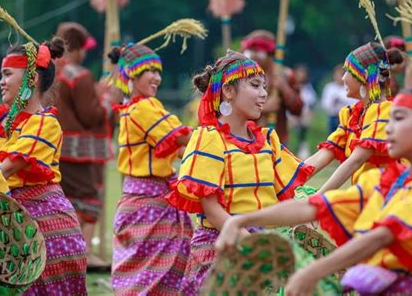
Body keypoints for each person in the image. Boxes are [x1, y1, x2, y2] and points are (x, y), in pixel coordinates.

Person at [216, 86, 412, 295]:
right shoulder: (383, 181)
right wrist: (241, 221)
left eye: (398, 119)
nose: (388, 128)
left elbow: (381, 237)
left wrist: (314, 271)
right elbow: (312, 207)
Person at [165, 50, 315, 295]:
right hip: (222, 246)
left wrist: (342, 150)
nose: (264, 93)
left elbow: (296, 183)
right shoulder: (208, 139)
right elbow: (212, 210)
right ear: (228, 91)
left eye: (264, 86)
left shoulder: (266, 138)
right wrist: (253, 245)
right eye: (255, 85)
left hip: (264, 246)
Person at [0, 38, 87, 294]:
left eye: (7, 74)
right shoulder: (1, 125)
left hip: (45, 231)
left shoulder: (44, 124)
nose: (1, 81)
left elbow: (5, 170)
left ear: (30, 80)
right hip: (10, 227)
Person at [108, 43, 193, 295]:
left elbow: (173, 146)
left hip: (141, 201)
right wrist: (219, 134)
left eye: (158, 71)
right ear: (132, 75)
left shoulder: (135, 107)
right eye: (149, 71)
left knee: (141, 275)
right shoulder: (144, 107)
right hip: (150, 205)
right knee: (151, 276)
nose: (157, 77)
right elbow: (181, 139)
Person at [53, 22, 113, 269]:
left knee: (64, 202)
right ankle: (83, 253)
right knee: (89, 202)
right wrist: (108, 101)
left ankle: (65, 251)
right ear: (76, 48)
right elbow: (91, 115)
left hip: (53, 147)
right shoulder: (78, 76)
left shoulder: (50, 72)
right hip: (78, 152)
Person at [307, 42, 404, 193]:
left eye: (348, 71)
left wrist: (316, 201)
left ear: (364, 75)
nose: (343, 77)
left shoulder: (386, 112)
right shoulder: (352, 113)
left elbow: (355, 161)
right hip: (364, 199)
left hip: (388, 200)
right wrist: (290, 182)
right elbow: (322, 156)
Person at [241, 30, 303, 144]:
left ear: (270, 54)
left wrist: (284, 88)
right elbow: (232, 108)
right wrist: (264, 108)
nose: (253, 55)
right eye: (251, 50)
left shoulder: (285, 74)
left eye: (257, 51)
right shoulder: (241, 75)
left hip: (276, 140)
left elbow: (298, 109)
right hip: (246, 138)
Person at [321, 64, 356, 134]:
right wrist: (332, 103)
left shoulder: (349, 87)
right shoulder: (329, 87)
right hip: (333, 116)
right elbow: (325, 103)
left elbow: (353, 102)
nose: (338, 77)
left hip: (346, 117)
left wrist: (342, 102)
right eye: (336, 74)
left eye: (340, 75)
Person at [291, 64, 317, 158]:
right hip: (291, 117)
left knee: (303, 136)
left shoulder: (307, 88)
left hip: (303, 116)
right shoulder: (290, 86)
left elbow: (311, 103)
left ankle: (302, 151)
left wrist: (309, 114)